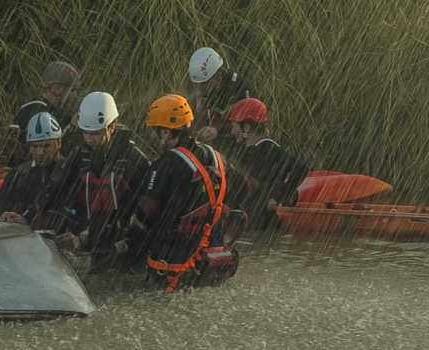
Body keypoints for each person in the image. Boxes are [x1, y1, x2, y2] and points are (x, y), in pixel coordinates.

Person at [136, 94, 239, 292]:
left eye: (154, 131)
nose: (152, 136)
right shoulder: (218, 158)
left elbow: (146, 214)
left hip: (171, 266)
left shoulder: (164, 164)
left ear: (165, 133)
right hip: (210, 265)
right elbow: (244, 191)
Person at [49, 91, 151, 273]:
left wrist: (83, 240)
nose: (89, 139)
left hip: (128, 244)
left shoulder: (134, 160)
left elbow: (148, 215)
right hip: (94, 239)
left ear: (111, 127)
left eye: (95, 133)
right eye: (85, 133)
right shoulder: (79, 157)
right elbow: (56, 195)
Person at [222, 98, 308, 230]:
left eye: (234, 126)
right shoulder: (248, 149)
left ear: (246, 127)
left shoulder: (269, 148)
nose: (232, 132)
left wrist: (281, 194)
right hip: (251, 216)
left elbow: (301, 167)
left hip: (263, 220)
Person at [0, 61, 82, 177]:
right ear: (56, 89)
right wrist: (71, 127)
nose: (74, 95)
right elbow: (49, 145)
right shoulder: (38, 110)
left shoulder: (45, 109)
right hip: (24, 175)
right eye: (71, 90)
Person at [0, 112, 67, 229]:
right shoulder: (18, 174)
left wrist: (29, 226)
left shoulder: (70, 172)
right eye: (35, 146)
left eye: (46, 146)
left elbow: (68, 218)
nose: (40, 153)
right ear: (29, 146)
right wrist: (0, 219)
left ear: (59, 142)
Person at [187, 47, 255, 146]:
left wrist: (217, 130)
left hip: (241, 147)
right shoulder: (201, 93)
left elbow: (247, 127)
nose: (199, 89)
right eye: (196, 85)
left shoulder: (240, 90)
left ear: (218, 78)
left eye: (203, 84)